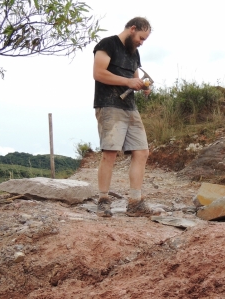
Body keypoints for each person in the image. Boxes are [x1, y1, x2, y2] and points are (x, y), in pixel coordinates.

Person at [92, 17, 157, 217]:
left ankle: (135, 202)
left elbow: (135, 78)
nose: (141, 42)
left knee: (142, 152)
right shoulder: (107, 44)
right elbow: (98, 73)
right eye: (141, 37)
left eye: (144, 40)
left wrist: (144, 86)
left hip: (130, 107)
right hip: (109, 105)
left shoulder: (134, 53)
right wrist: (128, 82)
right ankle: (103, 200)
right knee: (110, 153)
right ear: (132, 29)